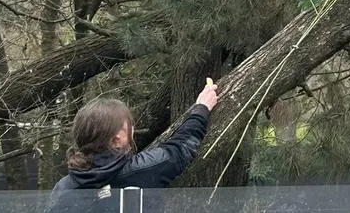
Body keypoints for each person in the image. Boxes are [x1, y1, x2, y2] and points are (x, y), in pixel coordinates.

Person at [44, 80, 219, 212]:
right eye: (129, 126)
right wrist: (201, 109)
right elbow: (181, 147)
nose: (133, 130)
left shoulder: (63, 188)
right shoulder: (142, 169)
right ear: (116, 140)